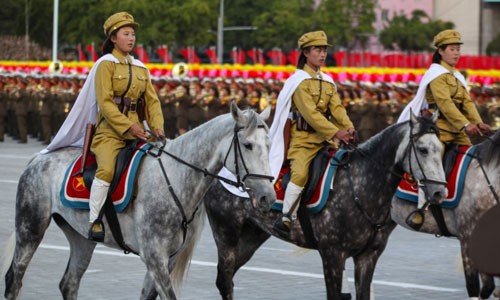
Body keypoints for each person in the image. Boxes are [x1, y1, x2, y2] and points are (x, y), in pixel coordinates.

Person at [42, 12, 164, 242]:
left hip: (139, 130)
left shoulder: (140, 68)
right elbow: (106, 103)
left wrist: (157, 128)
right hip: (110, 131)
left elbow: (152, 102)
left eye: (133, 34)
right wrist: (129, 128)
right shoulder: (105, 65)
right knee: (106, 169)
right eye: (126, 34)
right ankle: (95, 219)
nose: (131, 38)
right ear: (113, 38)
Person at [271, 31, 356, 233]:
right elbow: (311, 115)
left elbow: (336, 108)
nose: (323, 54)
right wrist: (337, 132)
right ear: (306, 53)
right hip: (303, 140)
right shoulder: (298, 81)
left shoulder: (328, 81)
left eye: (325, 50)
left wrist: (349, 126)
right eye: (318, 50)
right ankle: (287, 216)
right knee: (299, 175)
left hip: (326, 140)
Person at [397, 29, 491, 149]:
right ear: (441, 51)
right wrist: (465, 124)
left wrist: (478, 122)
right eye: (452, 49)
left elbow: (467, 103)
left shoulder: (457, 76)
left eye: (458, 49)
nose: (456, 53)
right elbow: (444, 103)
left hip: (457, 129)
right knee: (434, 163)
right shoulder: (436, 74)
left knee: (472, 159)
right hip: (437, 128)